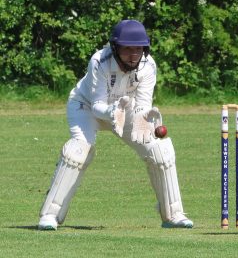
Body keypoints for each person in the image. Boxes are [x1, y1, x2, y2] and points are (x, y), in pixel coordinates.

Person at [38, 19, 193, 230]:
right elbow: (97, 105)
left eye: (138, 48)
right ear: (115, 47)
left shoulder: (149, 65)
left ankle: (173, 215)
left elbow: (142, 103)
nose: (133, 54)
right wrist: (113, 112)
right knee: (78, 151)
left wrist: (145, 117)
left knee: (160, 150)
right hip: (86, 106)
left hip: (126, 109)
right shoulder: (99, 61)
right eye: (127, 48)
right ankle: (50, 215)